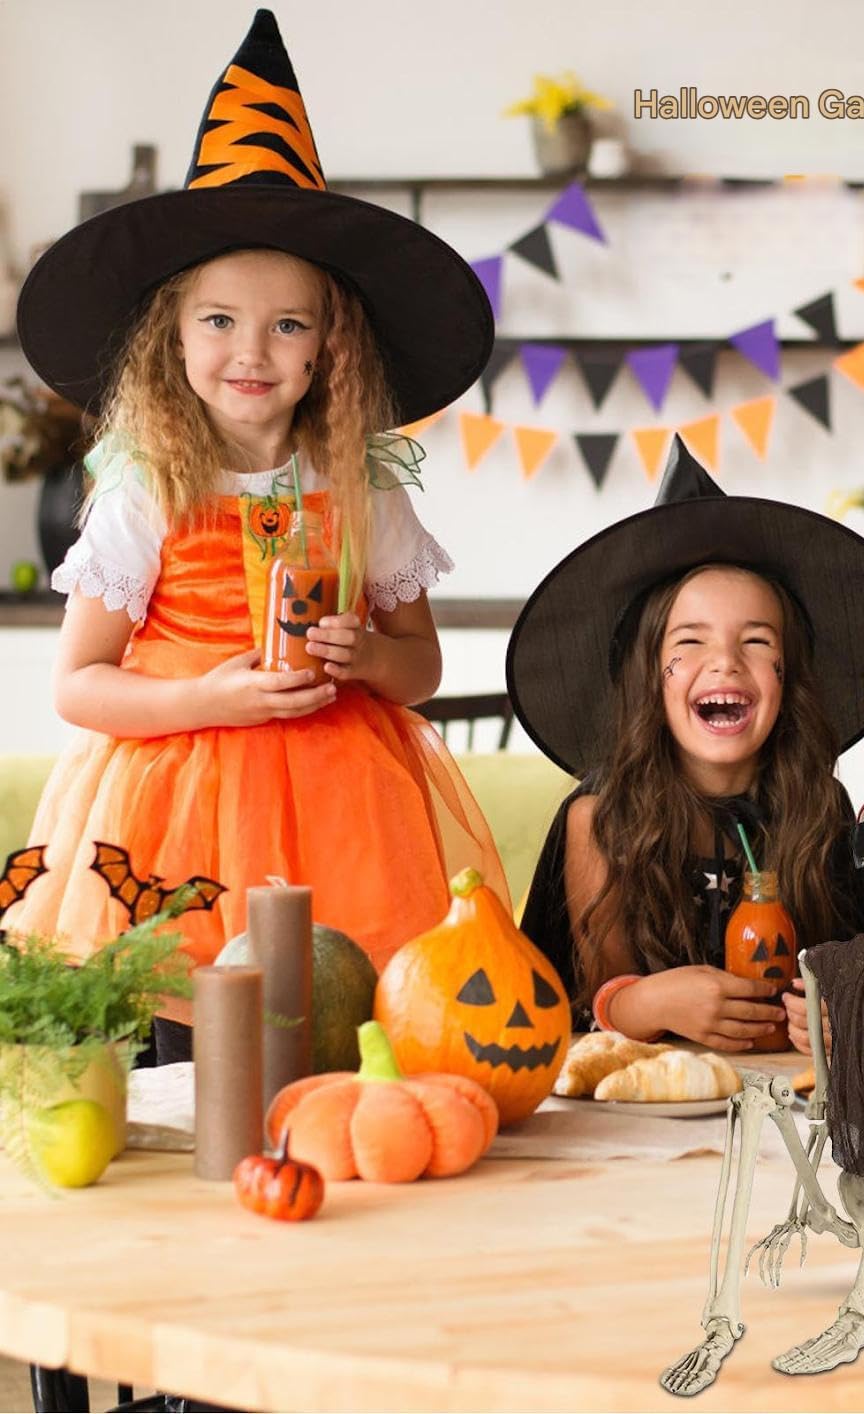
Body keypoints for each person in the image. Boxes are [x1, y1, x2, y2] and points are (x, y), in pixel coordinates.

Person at [6, 12, 509, 1048]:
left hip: (348, 818)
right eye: (220, 320)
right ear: (172, 338)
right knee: (195, 1053)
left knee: (341, 1040)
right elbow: (78, 685)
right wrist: (207, 697)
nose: (253, 350)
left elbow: (418, 668)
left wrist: (368, 657)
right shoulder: (146, 487)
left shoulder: (362, 488)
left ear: (330, 346)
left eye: (288, 324)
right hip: (175, 819)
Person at [509, 437, 864, 1050]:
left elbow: (856, 983)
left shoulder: (819, 807)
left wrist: (840, 1011)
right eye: (690, 642)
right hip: (649, 1090)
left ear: (787, 677)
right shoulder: (601, 820)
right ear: (652, 676)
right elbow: (586, 1016)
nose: (725, 662)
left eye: (756, 641)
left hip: (787, 1093)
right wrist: (646, 1002)